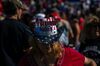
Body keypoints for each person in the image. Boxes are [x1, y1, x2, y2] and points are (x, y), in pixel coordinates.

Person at [19, 16, 97, 66]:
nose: (48, 45)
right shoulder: (27, 60)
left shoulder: (68, 53)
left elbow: (90, 62)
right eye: (43, 41)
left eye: (51, 41)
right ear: (35, 41)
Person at [0, 1, 33, 66]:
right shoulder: (23, 28)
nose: (22, 12)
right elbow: (31, 49)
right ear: (17, 10)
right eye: (21, 10)